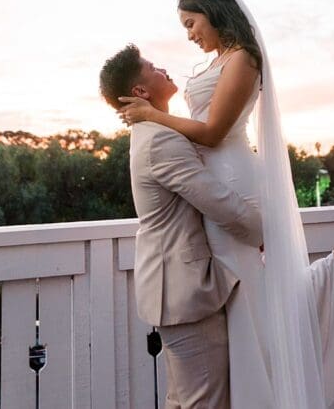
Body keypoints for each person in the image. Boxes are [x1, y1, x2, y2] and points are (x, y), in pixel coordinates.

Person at [118, 0, 334, 408]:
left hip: (234, 178)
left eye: (192, 23)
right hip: (213, 179)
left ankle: (266, 389)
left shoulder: (243, 59)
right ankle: (331, 274)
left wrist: (152, 113)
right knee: (246, 294)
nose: (190, 35)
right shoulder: (218, 61)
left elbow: (211, 132)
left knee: (249, 291)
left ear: (213, 12)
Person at [98, 45, 264, 408]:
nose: (163, 69)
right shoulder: (161, 140)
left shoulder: (153, 133)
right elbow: (218, 202)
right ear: (141, 92)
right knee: (205, 402)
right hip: (182, 292)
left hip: (172, 291)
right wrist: (267, 233)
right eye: (153, 68)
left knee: (183, 400)